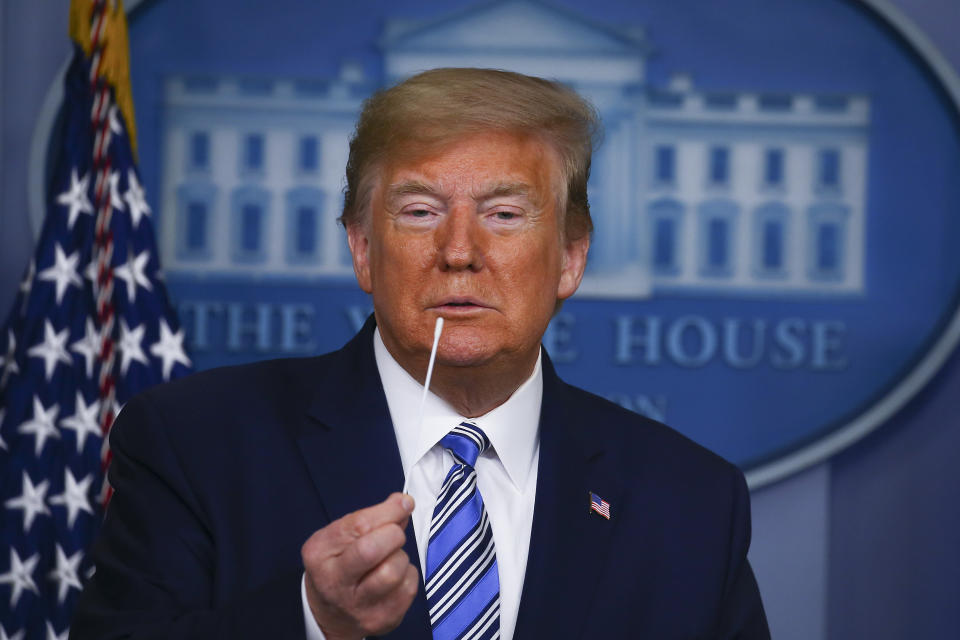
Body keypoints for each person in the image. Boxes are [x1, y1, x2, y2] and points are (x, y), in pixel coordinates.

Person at [72, 68, 770, 639]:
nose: (459, 252)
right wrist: (311, 622)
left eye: (503, 214)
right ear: (363, 249)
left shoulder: (692, 503)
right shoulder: (195, 442)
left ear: (570, 257)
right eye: (419, 212)